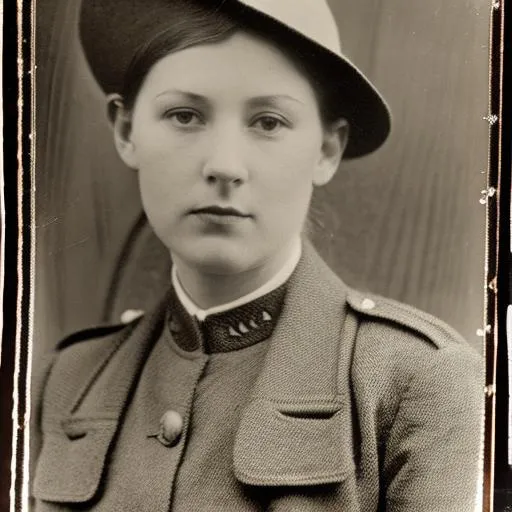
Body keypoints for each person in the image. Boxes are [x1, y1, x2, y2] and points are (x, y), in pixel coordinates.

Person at [31, 0, 483, 510]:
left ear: (326, 150)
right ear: (126, 130)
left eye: (268, 122)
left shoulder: (413, 382)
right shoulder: (70, 380)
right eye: (184, 115)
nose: (224, 165)